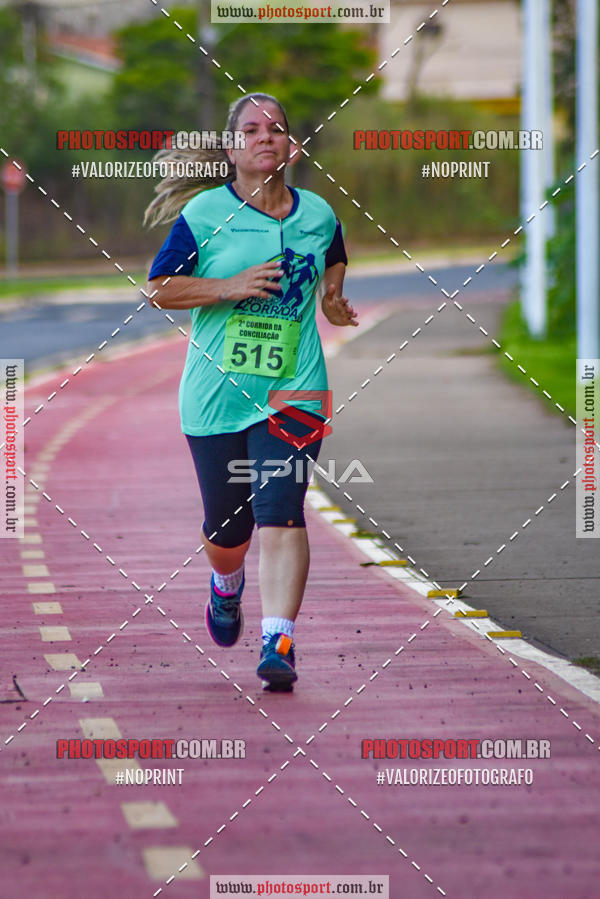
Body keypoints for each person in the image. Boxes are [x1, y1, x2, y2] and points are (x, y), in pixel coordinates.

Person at [145, 92, 357, 691]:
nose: (268, 136)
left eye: (279, 129)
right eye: (254, 129)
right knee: (228, 533)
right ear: (234, 147)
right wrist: (228, 285)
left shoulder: (317, 212)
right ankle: (225, 585)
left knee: (282, 512)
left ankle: (279, 641)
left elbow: (333, 255)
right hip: (217, 396)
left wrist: (332, 299)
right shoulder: (206, 216)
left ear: (291, 146)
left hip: (296, 390)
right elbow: (160, 288)